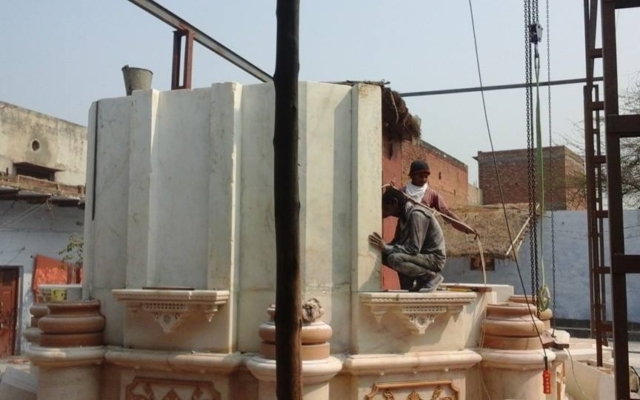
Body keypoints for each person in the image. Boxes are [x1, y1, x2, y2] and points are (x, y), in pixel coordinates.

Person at [369, 187, 446, 292]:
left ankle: (430, 277)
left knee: (394, 258)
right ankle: (408, 283)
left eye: (387, 208)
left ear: (395, 202)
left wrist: (386, 247)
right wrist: (382, 248)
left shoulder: (417, 214)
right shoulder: (402, 218)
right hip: (418, 257)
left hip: (433, 259)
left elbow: (414, 248)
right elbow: (397, 243)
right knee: (385, 256)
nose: (387, 213)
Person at [403, 160, 477, 236]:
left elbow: (447, 213)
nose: (424, 179)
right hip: (404, 231)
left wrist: (466, 228)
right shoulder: (403, 192)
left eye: (426, 177)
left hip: (423, 233)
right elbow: (395, 211)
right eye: (420, 176)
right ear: (412, 176)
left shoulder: (432, 194)